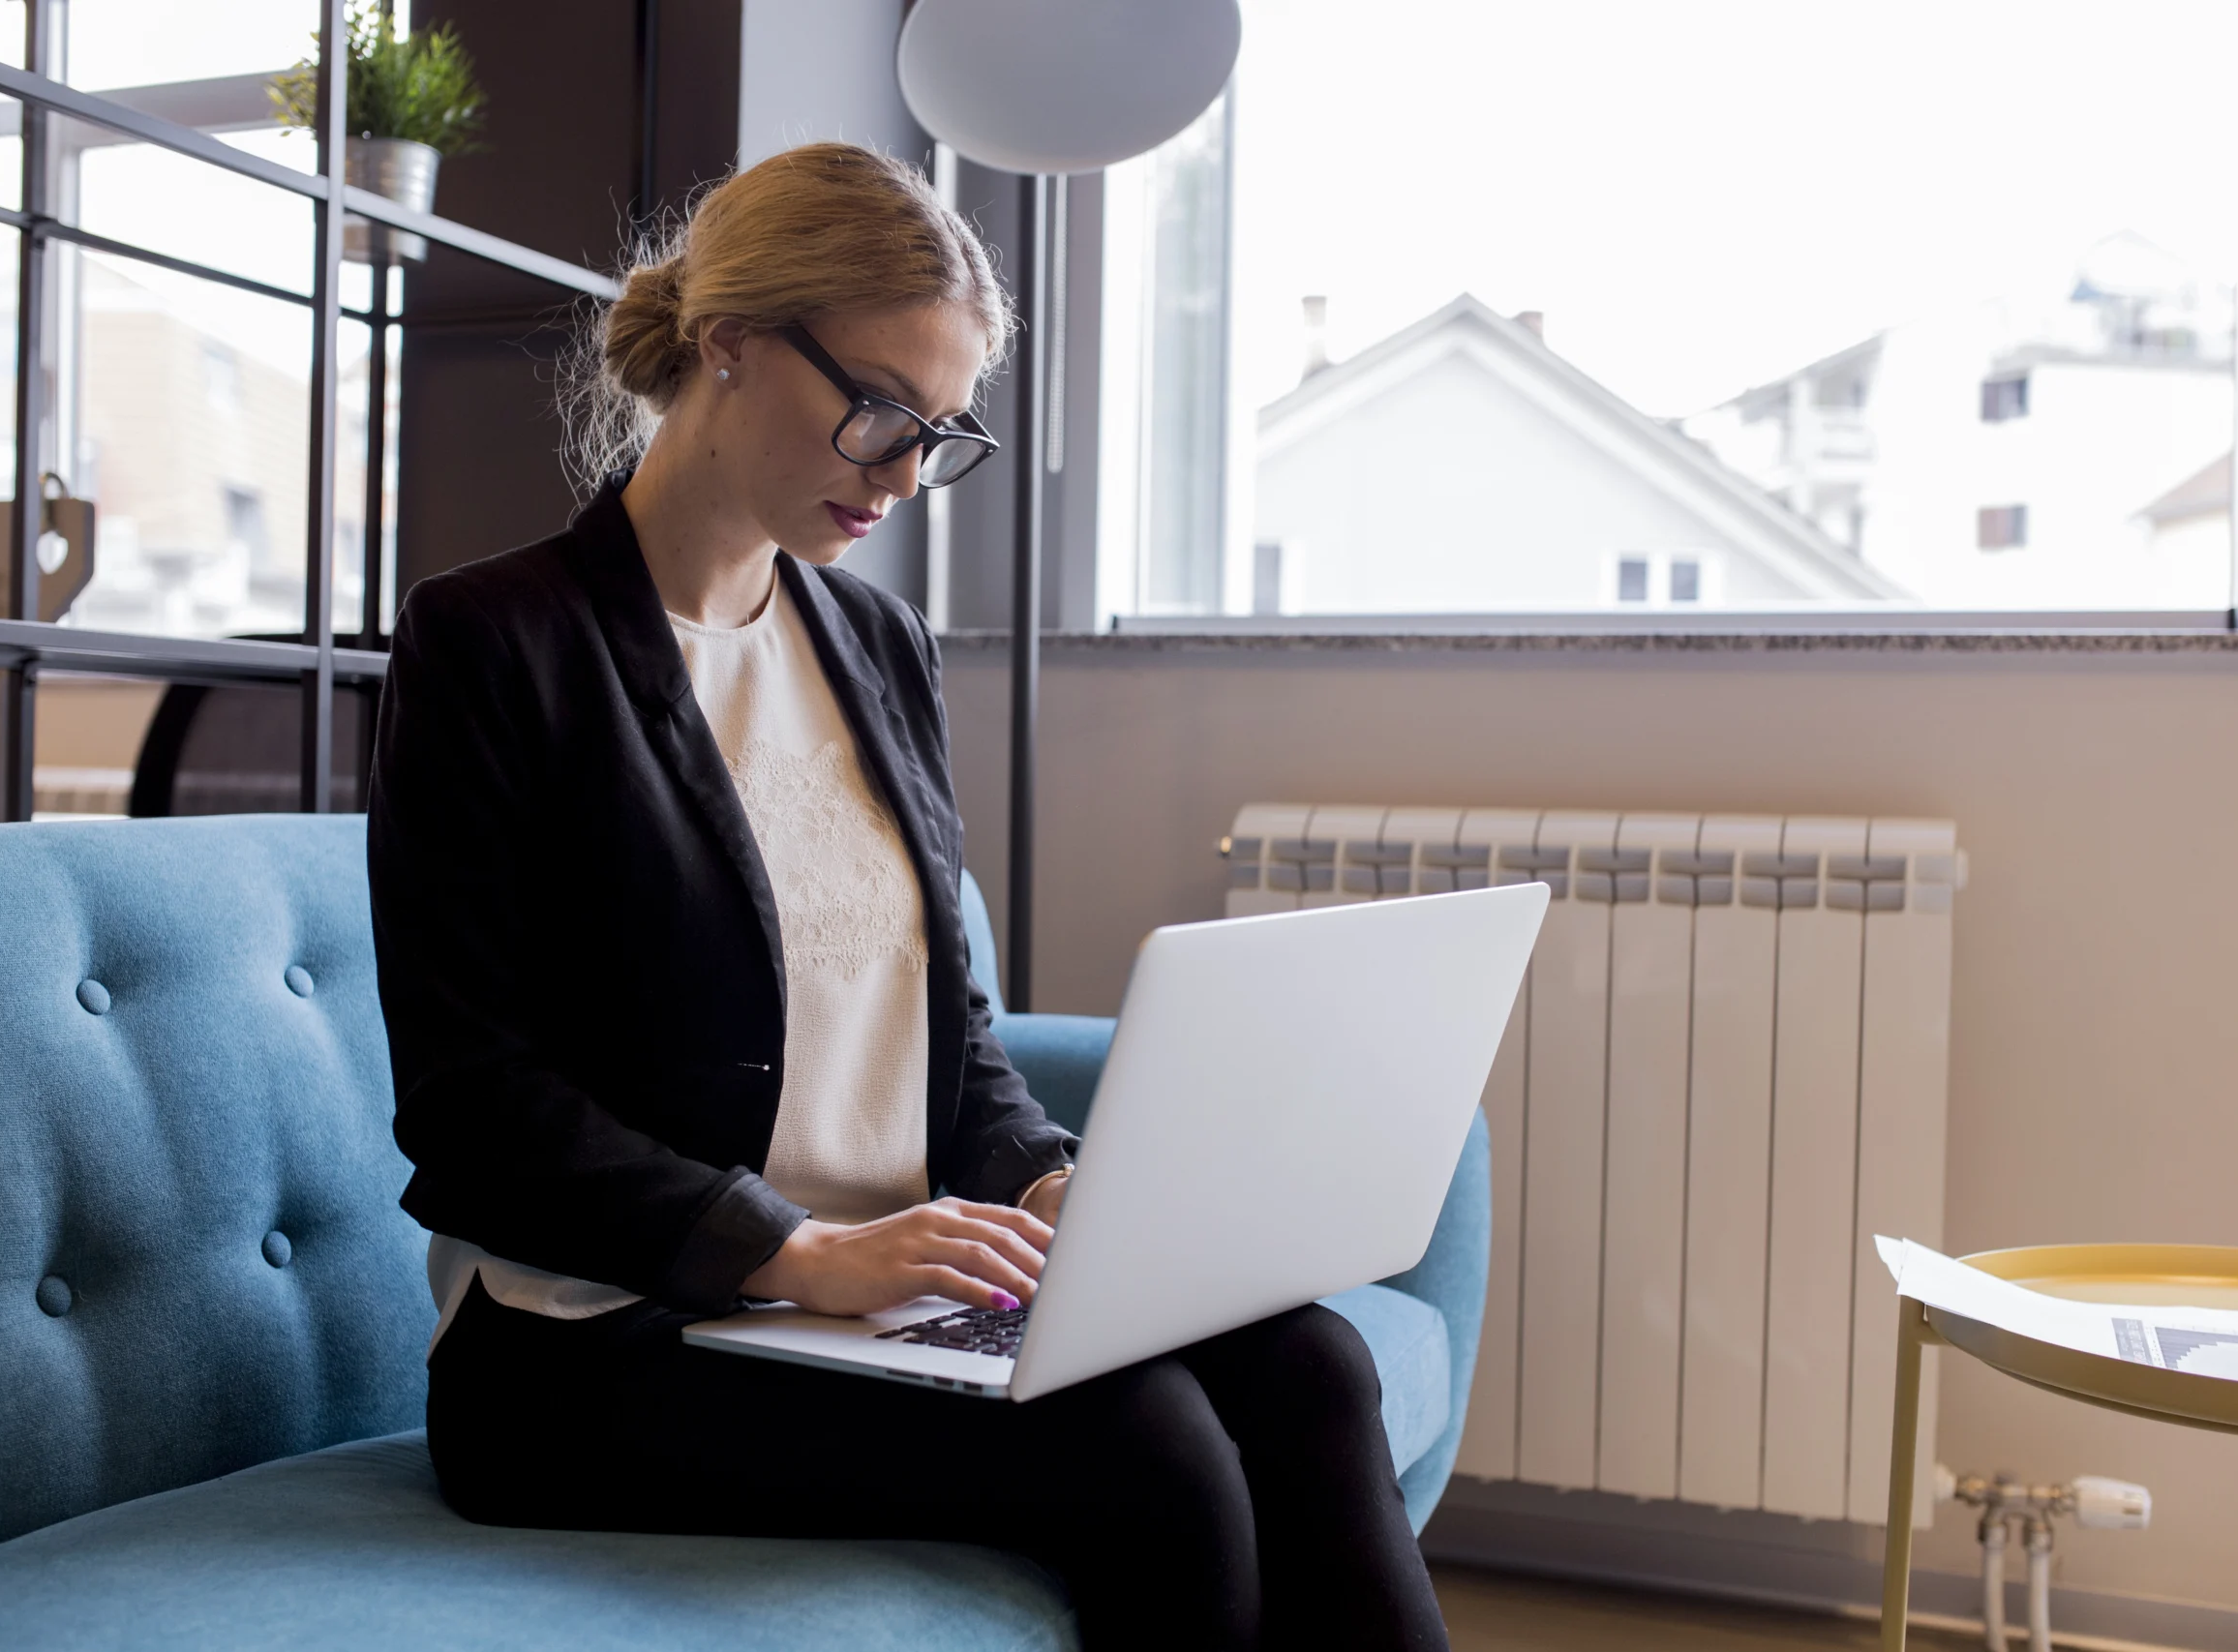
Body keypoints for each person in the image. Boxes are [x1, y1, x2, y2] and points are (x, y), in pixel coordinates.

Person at [367, 140, 1448, 1652]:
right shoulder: (496, 643)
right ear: (729, 343)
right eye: (876, 410)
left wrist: (1056, 1180)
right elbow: (472, 1106)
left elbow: (951, 1034)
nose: (899, 476)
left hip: (880, 1304)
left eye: (937, 433)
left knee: (1314, 1365)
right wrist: (792, 1249)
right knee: (1148, 1449)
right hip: (611, 1341)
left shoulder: (878, 645)